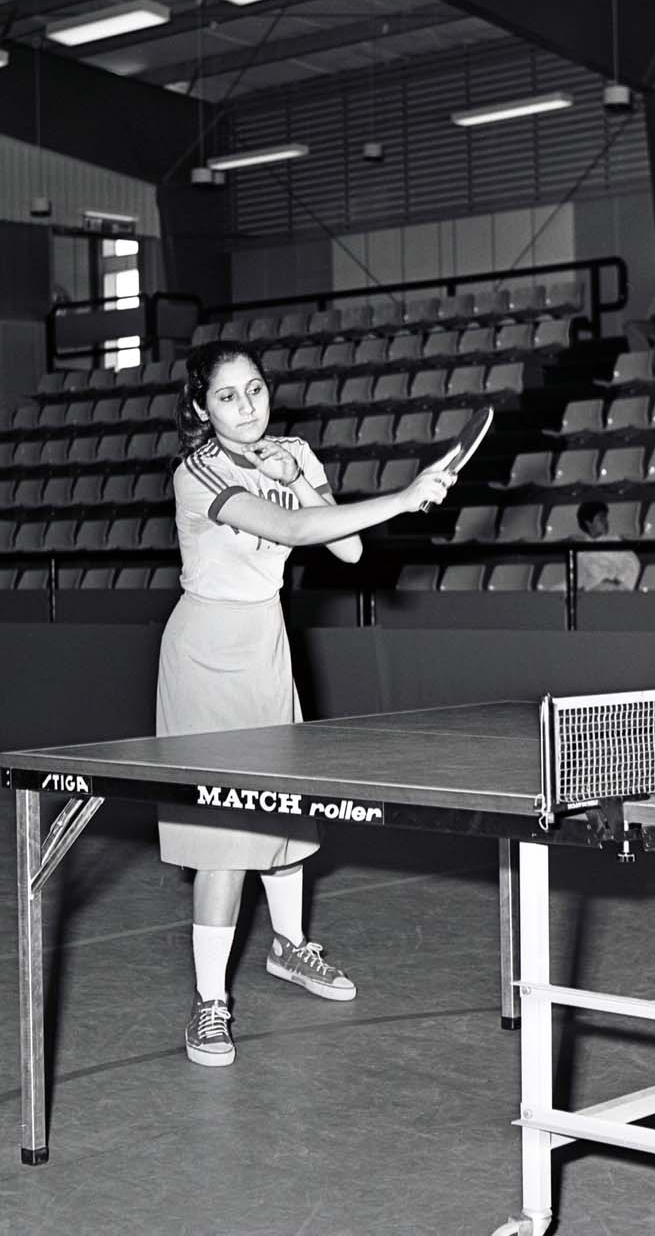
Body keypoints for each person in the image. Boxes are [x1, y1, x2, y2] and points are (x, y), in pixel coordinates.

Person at [161, 340, 456, 1068]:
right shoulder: (197, 473)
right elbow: (289, 531)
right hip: (206, 655)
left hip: (266, 641)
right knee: (224, 833)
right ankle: (209, 1003)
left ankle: (290, 948)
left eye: (255, 388)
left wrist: (305, 478)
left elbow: (349, 553)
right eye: (227, 396)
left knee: (286, 807)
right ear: (201, 408)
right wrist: (404, 496)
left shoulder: (290, 449)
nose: (248, 405)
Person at [575, 500, 639, 591]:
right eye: (601, 519)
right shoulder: (579, 549)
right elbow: (579, 578)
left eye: (605, 518)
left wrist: (617, 581)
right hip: (589, 594)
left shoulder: (615, 541)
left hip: (612, 592)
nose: (606, 522)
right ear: (588, 523)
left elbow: (631, 563)